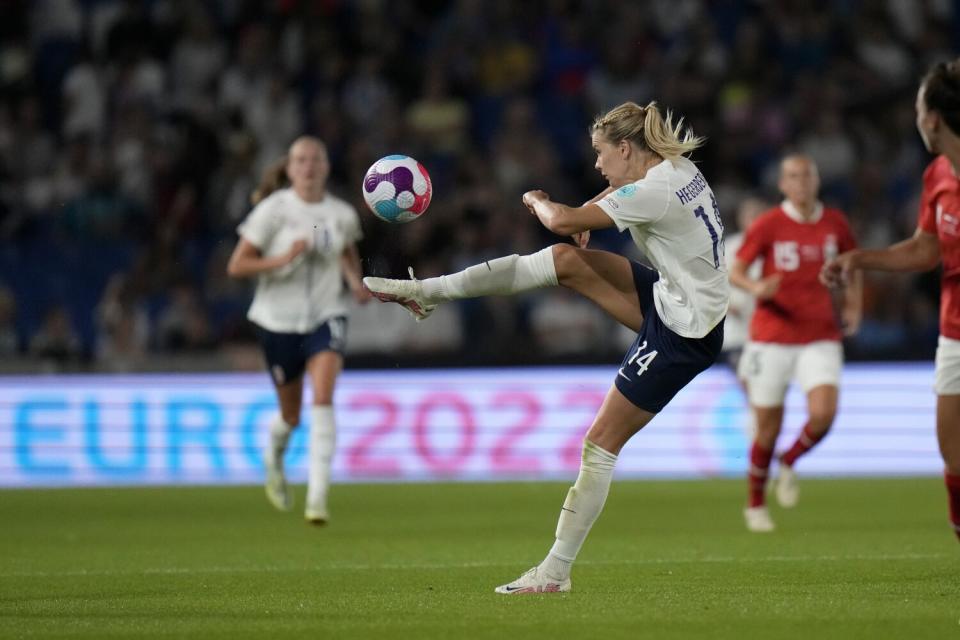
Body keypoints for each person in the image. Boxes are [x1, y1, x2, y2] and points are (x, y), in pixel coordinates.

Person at [364, 101, 728, 593]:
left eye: (601, 153)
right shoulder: (675, 169)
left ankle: (555, 572)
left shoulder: (655, 191)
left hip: (685, 331)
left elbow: (558, 220)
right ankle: (430, 294)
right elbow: (623, 193)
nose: (598, 164)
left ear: (625, 148)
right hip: (679, 299)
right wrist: (588, 210)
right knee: (564, 262)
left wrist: (536, 199)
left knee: (599, 445)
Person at [822, 59, 960, 542]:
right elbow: (926, 249)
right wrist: (859, 260)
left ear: (933, 119)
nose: (916, 117)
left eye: (919, 108)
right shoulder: (938, 176)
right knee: (953, 454)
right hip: (954, 332)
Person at [227, 136, 368, 525]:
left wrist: (355, 282)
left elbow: (345, 250)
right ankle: (274, 458)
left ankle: (318, 498)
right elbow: (237, 266)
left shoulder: (341, 213)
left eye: (316, 160)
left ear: (325, 167)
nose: (308, 167)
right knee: (290, 415)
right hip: (278, 320)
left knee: (323, 397)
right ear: (289, 169)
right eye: (301, 160)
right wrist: (282, 258)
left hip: (326, 314)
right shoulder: (272, 211)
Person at [729, 154, 861, 533]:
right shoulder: (769, 224)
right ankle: (755, 503)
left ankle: (789, 461)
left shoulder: (835, 223)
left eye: (807, 175)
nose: (801, 182)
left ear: (816, 181)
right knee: (767, 428)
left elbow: (853, 264)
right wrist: (757, 287)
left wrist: (852, 303)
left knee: (823, 415)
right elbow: (736, 271)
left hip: (819, 334)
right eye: (793, 176)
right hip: (771, 337)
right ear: (783, 185)